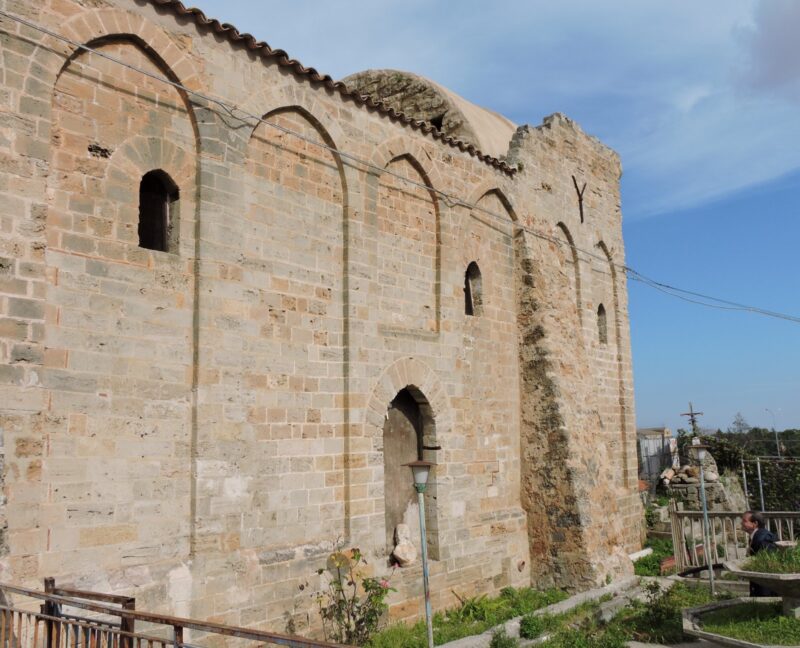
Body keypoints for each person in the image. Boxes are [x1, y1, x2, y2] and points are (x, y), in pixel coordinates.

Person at [740, 510, 779, 596]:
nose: (741, 523)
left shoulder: (764, 538)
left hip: (766, 586)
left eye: (744, 521)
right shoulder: (756, 535)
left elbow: (768, 565)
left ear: (755, 524)